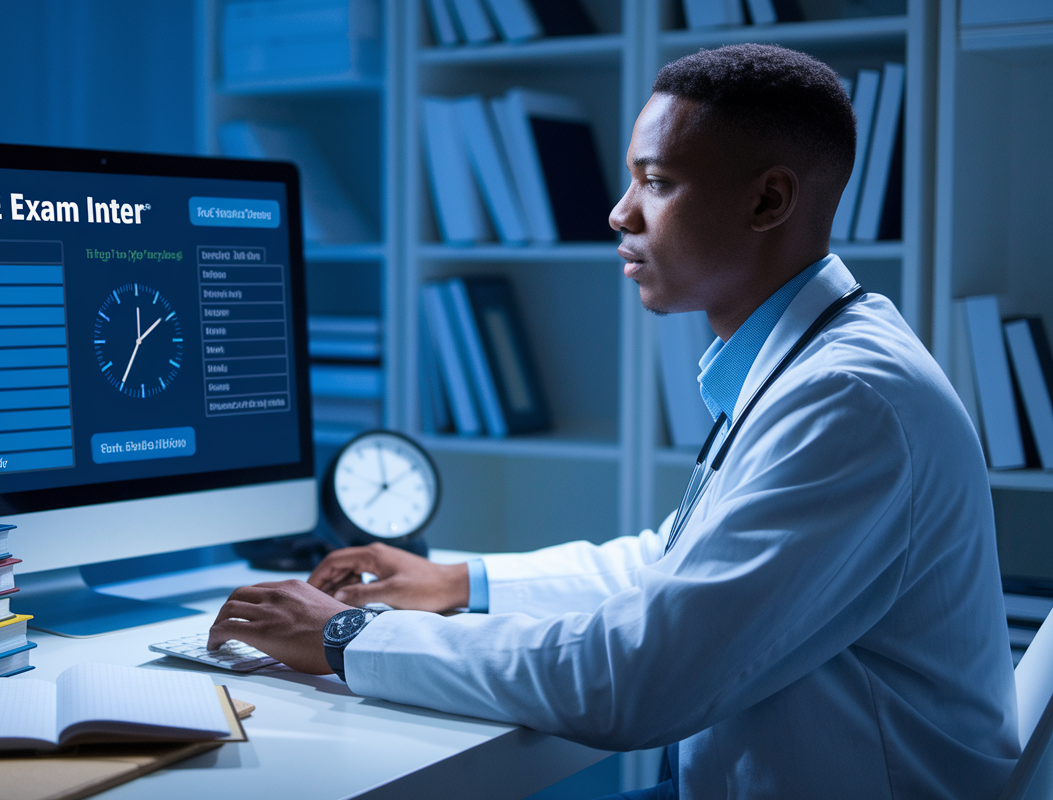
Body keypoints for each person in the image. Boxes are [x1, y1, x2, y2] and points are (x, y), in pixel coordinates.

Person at [209, 44, 1018, 799]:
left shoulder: (849, 401)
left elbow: (633, 682)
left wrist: (350, 635)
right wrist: (459, 583)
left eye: (656, 182)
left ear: (769, 199)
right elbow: (673, 566)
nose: (618, 214)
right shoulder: (816, 359)